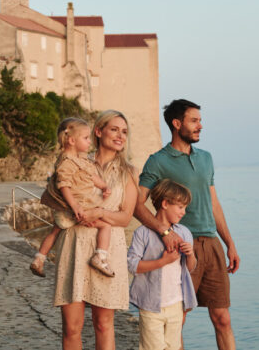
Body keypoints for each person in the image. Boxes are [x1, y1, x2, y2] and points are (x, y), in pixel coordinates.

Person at [135, 99, 240, 350]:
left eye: (200, 121)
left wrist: (230, 244)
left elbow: (213, 203)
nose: (200, 126)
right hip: (181, 247)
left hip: (211, 244)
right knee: (177, 320)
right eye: (194, 121)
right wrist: (165, 232)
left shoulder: (206, 158)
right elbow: (137, 204)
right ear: (176, 123)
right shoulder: (157, 161)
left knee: (222, 318)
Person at [53, 110, 138, 350]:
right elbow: (55, 194)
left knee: (103, 323)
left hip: (107, 250)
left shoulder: (129, 172)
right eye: (114, 129)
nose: (120, 136)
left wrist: (99, 213)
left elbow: (125, 217)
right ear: (98, 132)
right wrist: (75, 211)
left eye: (124, 132)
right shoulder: (75, 161)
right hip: (75, 244)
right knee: (71, 327)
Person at [30, 117, 115, 278]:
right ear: (71, 140)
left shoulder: (79, 160)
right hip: (78, 208)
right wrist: (76, 206)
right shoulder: (67, 162)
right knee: (106, 226)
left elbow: (91, 177)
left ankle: (39, 258)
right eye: (85, 138)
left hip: (69, 209)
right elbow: (64, 185)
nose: (90, 142)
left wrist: (103, 186)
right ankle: (100, 256)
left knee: (54, 232)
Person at [128, 178, 197, 350]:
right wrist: (162, 262)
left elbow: (189, 269)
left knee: (173, 347)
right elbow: (132, 265)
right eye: (180, 207)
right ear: (165, 203)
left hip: (176, 303)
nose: (183, 212)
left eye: (185, 208)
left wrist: (190, 255)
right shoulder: (143, 233)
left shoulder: (184, 232)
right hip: (150, 305)